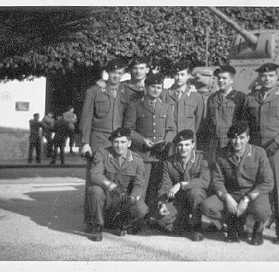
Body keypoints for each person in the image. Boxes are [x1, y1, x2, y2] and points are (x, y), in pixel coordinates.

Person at [242, 62, 279, 245]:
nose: (267, 79)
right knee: (257, 186)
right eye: (264, 76)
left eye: (271, 76)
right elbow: (246, 123)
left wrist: (278, 141)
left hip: (276, 150)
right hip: (256, 149)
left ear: (276, 77)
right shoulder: (251, 97)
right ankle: (254, 229)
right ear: (259, 77)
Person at [200, 121, 274, 245]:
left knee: (262, 210)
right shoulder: (222, 154)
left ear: (248, 138)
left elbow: (268, 182)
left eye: (241, 137)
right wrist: (226, 197)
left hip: (253, 195)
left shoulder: (259, 153)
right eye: (234, 137)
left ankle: (258, 229)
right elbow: (217, 181)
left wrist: (247, 199)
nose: (237, 141)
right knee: (207, 206)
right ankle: (232, 223)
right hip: (232, 194)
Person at [79, 58, 128, 224]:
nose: (116, 76)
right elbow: (86, 119)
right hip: (98, 141)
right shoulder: (94, 91)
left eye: (120, 73)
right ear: (108, 73)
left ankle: (108, 219)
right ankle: (91, 220)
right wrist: (85, 142)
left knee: (114, 180)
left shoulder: (125, 92)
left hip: (118, 143)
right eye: (114, 72)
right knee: (94, 180)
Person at [124, 72, 176, 207]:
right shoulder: (135, 105)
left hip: (160, 155)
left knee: (156, 187)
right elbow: (128, 129)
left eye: (159, 87)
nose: (156, 90)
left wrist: (165, 141)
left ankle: (152, 217)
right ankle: (137, 218)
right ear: (146, 87)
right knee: (140, 186)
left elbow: (171, 129)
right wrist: (142, 140)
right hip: (142, 154)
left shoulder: (167, 107)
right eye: (153, 87)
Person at [86, 128, 149, 241]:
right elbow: (95, 175)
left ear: (129, 143)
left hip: (124, 200)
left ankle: (123, 223)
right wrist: (111, 186)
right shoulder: (102, 153)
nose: (119, 146)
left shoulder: (137, 160)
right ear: (112, 142)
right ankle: (98, 226)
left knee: (141, 209)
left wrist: (133, 197)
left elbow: (139, 184)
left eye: (123, 142)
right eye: (116, 142)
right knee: (94, 190)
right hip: (107, 198)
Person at [155, 129, 211, 241]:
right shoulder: (169, 162)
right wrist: (162, 203)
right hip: (178, 200)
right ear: (176, 146)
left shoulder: (202, 159)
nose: (183, 148)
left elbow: (205, 181)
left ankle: (196, 227)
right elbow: (165, 185)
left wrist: (181, 185)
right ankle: (182, 221)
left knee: (195, 192)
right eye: (180, 145)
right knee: (162, 218)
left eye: (187, 145)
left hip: (196, 198)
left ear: (193, 145)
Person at [205, 65, 247, 163]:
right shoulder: (212, 98)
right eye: (219, 78)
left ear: (232, 80)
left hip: (231, 143)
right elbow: (208, 121)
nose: (220, 81)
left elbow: (244, 122)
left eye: (224, 78)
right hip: (215, 144)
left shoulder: (240, 97)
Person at [162, 59, 204, 134]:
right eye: (177, 74)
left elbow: (199, 121)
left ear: (188, 76)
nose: (179, 78)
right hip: (171, 138)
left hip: (188, 139)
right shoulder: (166, 95)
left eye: (182, 74)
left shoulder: (196, 96)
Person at [192, 66, 218, 152]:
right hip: (195, 134)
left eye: (205, 75)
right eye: (196, 75)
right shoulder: (191, 96)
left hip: (212, 135)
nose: (198, 76)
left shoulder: (216, 97)